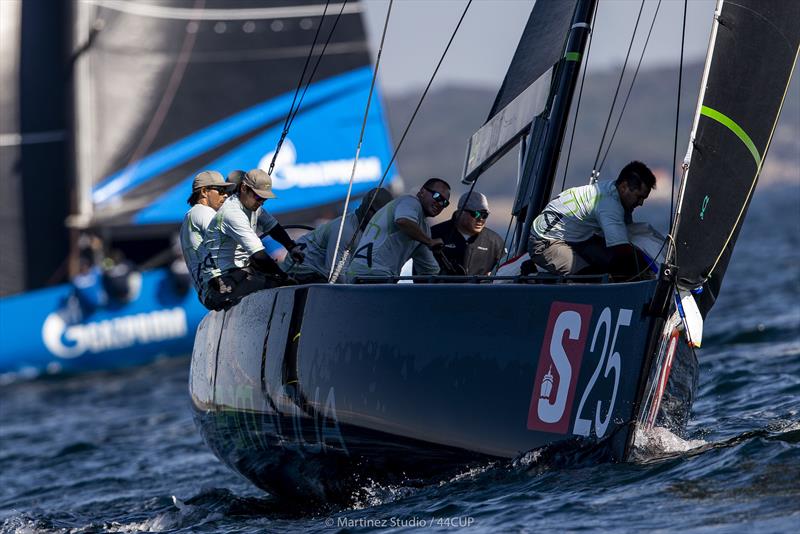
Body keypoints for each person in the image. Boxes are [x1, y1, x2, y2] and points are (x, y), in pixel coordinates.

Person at [528, 161, 656, 278]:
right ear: (623, 187)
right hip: (544, 242)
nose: (641, 203)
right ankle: (532, 272)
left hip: (575, 236)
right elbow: (621, 249)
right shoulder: (609, 205)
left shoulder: (614, 191)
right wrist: (646, 270)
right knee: (590, 276)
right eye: (639, 197)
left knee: (609, 263)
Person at [199, 169, 303, 310]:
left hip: (241, 273)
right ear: (243, 188)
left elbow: (271, 226)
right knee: (287, 287)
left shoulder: (253, 205)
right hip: (223, 282)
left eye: (264, 199)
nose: (261, 202)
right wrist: (284, 278)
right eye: (258, 197)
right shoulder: (232, 213)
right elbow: (259, 255)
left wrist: (291, 247)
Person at [281, 187, 394, 283]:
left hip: (321, 270)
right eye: (376, 212)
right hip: (302, 268)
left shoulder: (378, 230)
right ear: (366, 208)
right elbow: (334, 275)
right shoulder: (346, 230)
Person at [347, 178, 450, 282]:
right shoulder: (410, 202)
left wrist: (450, 276)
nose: (439, 204)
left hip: (372, 275)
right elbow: (403, 221)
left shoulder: (423, 230)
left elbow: (430, 270)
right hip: (369, 273)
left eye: (444, 203)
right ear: (422, 191)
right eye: (437, 196)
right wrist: (430, 241)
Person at [179, 170, 236, 297]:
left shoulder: (191, 216)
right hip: (221, 288)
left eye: (226, 191)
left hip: (210, 293)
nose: (226, 195)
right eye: (221, 191)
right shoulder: (202, 211)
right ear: (204, 192)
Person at [429, 191, 506, 277]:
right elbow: (421, 272)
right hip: (441, 290)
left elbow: (506, 272)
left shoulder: (495, 242)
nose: (480, 219)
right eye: (476, 214)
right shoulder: (434, 234)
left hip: (481, 290)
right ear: (460, 212)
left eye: (484, 215)